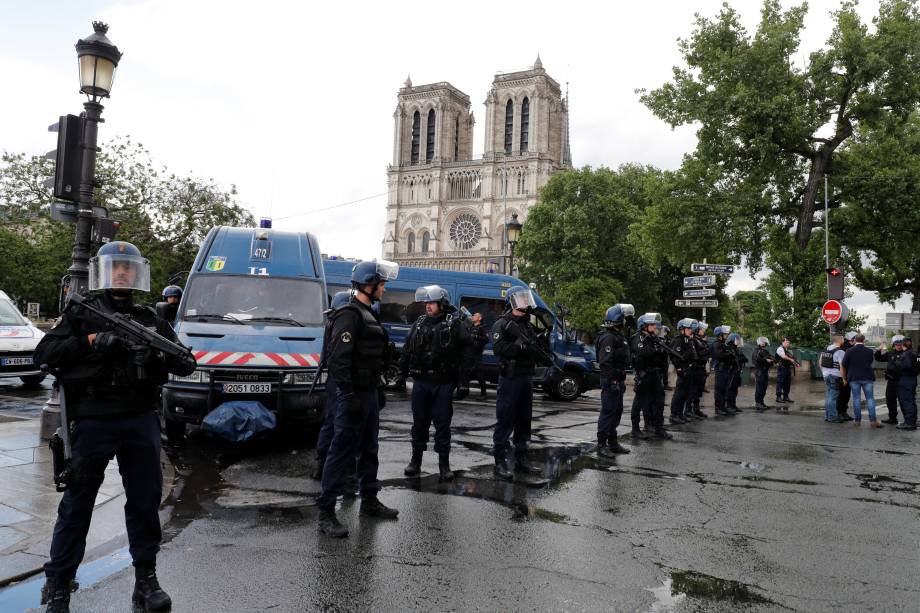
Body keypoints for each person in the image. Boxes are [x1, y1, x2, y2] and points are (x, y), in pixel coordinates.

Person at [34, 241, 197, 613]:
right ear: (104, 271)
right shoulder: (83, 313)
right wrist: (92, 341)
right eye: (115, 267)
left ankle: (146, 579)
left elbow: (186, 363)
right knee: (77, 506)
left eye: (128, 267)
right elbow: (45, 355)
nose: (122, 273)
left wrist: (154, 353)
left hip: (139, 419)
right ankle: (59, 587)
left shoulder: (151, 319)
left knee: (143, 502)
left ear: (137, 272)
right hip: (93, 421)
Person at [317, 259, 400, 538]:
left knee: (369, 449)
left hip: (368, 392)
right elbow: (339, 360)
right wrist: (349, 394)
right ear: (369, 284)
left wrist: (375, 391)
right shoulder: (349, 314)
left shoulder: (368, 313)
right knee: (341, 451)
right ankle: (326, 513)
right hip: (352, 394)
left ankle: (370, 501)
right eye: (381, 284)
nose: (385, 289)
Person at [400, 285, 474, 481]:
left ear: (442, 304)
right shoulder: (419, 323)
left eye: (431, 302)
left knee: (442, 425)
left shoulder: (454, 324)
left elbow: (467, 354)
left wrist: (463, 382)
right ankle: (415, 461)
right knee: (419, 424)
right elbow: (408, 349)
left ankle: (444, 464)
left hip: (443, 383)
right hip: (421, 382)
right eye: (426, 302)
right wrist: (401, 373)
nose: (428, 306)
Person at [490, 286, 554, 479]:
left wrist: (539, 350)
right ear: (512, 301)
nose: (525, 302)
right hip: (510, 377)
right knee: (505, 419)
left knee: (524, 420)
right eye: (521, 299)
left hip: (526, 377)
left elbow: (535, 347)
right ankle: (500, 462)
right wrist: (519, 347)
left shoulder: (527, 324)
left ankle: (521, 460)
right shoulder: (502, 323)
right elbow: (499, 348)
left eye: (526, 299)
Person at [311, 290, 355, 481]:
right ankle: (346, 469)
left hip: (333, 379)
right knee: (344, 425)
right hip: (342, 379)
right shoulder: (343, 323)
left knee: (329, 423)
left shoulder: (332, 321)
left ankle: (322, 465)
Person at [595, 303, 635, 456]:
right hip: (611, 380)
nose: (626, 321)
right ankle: (601, 445)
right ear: (618, 319)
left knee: (616, 411)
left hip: (618, 379)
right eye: (624, 318)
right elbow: (605, 363)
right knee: (608, 411)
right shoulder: (608, 338)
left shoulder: (618, 336)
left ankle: (612, 442)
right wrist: (613, 380)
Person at [631, 313, 671, 440]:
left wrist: (660, 350)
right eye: (652, 324)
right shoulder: (637, 338)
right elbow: (643, 352)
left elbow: (661, 357)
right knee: (639, 402)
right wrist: (655, 349)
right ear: (644, 326)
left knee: (659, 401)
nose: (655, 327)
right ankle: (635, 429)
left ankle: (658, 428)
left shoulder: (654, 338)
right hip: (643, 374)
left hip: (654, 374)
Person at [840, 333, 881, 428]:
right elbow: (870, 362)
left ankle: (857, 421)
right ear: (864, 340)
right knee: (870, 399)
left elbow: (844, 364)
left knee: (856, 399)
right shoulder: (869, 351)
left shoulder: (849, 351)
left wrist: (845, 377)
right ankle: (873, 421)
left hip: (854, 377)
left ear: (855, 340)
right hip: (867, 377)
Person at [668, 318, 698, 425]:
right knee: (679, 394)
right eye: (688, 328)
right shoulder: (678, 340)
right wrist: (679, 368)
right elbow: (675, 356)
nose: (691, 330)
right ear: (682, 329)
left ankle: (680, 414)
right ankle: (674, 415)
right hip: (683, 370)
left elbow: (693, 355)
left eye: (691, 328)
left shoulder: (688, 340)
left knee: (685, 394)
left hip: (689, 369)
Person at [875, 336, 905, 424]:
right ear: (893, 345)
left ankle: (908, 420)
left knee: (903, 401)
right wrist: (878, 350)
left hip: (902, 381)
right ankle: (892, 418)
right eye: (896, 344)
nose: (898, 346)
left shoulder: (906, 354)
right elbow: (878, 358)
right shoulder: (890, 353)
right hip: (891, 381)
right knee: (890, 400)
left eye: (900, 344)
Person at [684, 321, 710, 419]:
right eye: (702, 329)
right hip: (695, 368)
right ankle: (688, 410)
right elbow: (695, 355)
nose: (704, 331)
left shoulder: (700, 340)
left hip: (701, 368)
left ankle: (696, 409)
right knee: (692, 390)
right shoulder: (693, 340)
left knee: (698, 391)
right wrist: (705, 351)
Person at [819, 335, 845, 423]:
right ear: (840, 340)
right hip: (835, 376)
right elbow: (842, 366)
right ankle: (832, 416)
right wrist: (844, 378)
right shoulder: (840, 351)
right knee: (833, 397)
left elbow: (820, 363)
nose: (843, 340)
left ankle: (827, 415)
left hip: (826, 375)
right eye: (843, 339)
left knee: (829, 396)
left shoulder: (825, 350)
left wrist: (824, 372)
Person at [711, 326, 736, 416]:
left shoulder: (723, 344)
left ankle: (723, 406)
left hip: (725, 369)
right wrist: (729, 354)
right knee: (719, 389)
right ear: (720, 335)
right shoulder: (716, 344)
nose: (726, 335)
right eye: (725, 334)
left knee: (724, 389)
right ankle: (718, 408)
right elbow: (719, 355)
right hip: (720, 369)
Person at [896, 337, 918, 431]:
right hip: (913, 378)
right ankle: (913, 420)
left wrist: (898, 363)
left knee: (906, 401)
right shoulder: (915, 353)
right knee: (912, 400)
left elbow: (907, 365)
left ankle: (909, 423)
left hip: (906, 379)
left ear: (903, 344)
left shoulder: (906, 354)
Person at [836, 331, 857, 421]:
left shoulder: (847, 348)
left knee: (845, 395)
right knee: (842, 395)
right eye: (855, 339)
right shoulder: (845, 349)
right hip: (843, 375)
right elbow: (843, 364)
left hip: (846, 374)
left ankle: (843, 412)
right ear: (851, 340)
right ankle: (840, 413)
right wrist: (844, 377)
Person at [468, 312, 490, 398]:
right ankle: (461, 391)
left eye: (475, 316)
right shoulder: (471, 327)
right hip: (469, 354)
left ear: (479, 318)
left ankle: (484, 394)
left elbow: (486, 339)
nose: (473, 317)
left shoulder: (482, 328)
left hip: (477, 355)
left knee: (480, 375)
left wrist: (476, 336)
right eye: (473, 315)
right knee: (464, 373)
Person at [725, 333, 747, 412]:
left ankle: (733, 405)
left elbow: (744, 358)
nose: (738, 341)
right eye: (737, 339)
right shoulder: (729, 348)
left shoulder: (736, 349)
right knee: (730, 389)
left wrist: (740, 358)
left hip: (737, 371)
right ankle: (728, 406)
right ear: (733, 339)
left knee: (735, 389)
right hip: (731, 372)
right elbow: (731, 359)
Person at [752, 336, 774, 410]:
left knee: (764, 388)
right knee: (759, 388)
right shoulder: (757, 351)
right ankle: (758, 403)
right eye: (763, 342)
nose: (764, 343)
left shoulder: (764, 351)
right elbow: (756, 360)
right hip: (759, 372)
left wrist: (772, 361)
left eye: (765, 342)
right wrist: (765, 359)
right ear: (760, 343)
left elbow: (770, 358)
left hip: (764, 371)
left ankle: (761, 402)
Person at [775, 338, 796, 405]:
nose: (788, 343)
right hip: (782, 368)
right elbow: (783, 357)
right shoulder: (780, 349)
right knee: (780, 382)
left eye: (789, 342)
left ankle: (786, 397)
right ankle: (778, 397)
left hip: (787, 368)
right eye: (787, 342)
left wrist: (795, 362)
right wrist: (790, 359)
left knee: (787, 383)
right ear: (783, 342)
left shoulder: (787, 350)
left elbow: (792, 358)